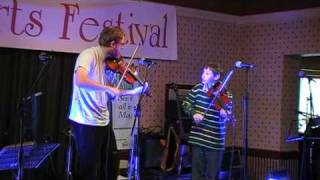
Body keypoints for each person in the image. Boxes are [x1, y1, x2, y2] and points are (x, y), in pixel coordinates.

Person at [68, 26, 147, 180]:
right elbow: (80, 80)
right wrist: (107, 89)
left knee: (110, 166)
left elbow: (112, 92)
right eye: (121, 45)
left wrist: (134, 92)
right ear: (113, 44)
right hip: (86, 121)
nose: (122, 50)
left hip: (103, 121)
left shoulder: (109, 65)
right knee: (88, 170)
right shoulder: (89, 55)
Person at [182, 64, 232, 180]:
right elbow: (186, 104)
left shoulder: (225, 93)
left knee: (212, 176)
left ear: (216, 76)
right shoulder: (197, 88)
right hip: (198, 139)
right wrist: (193, 113)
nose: (203, 76)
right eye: (203, 73)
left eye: (207, 73)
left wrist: (225, 114)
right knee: (196, 175)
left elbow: (229, 115)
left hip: (215, 142)